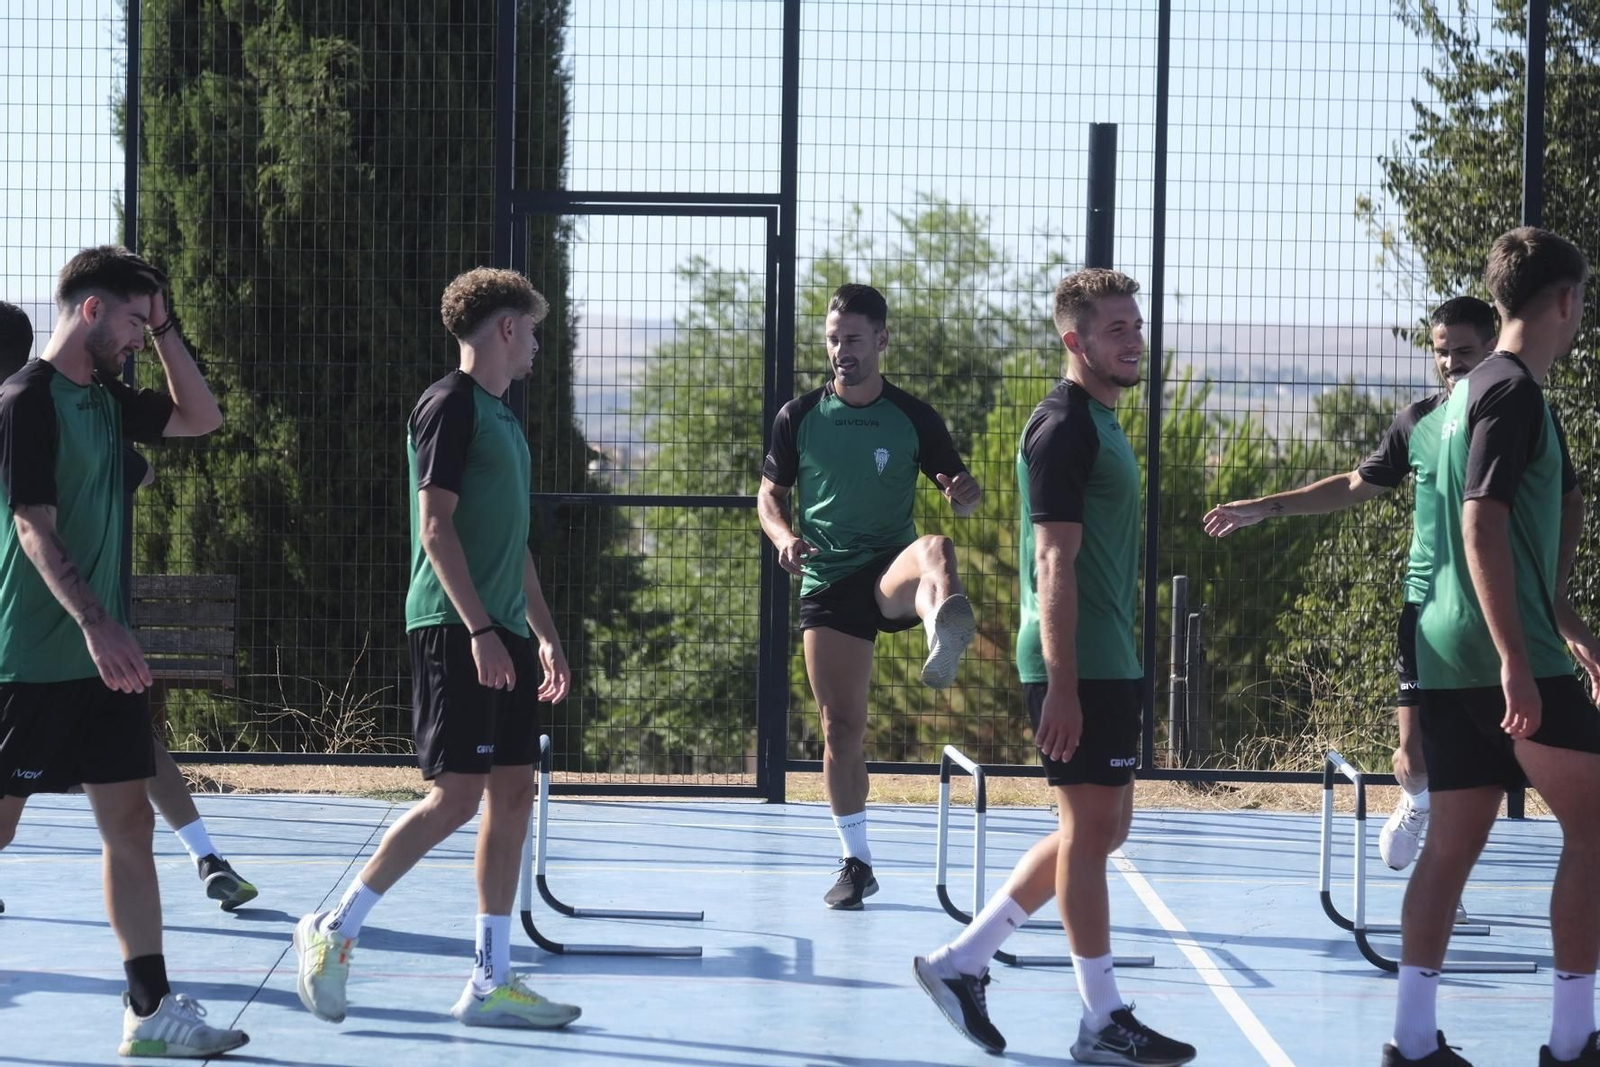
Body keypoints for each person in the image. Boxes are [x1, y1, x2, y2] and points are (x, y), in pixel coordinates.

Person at [913, 268, 1194, 1065]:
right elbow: (1052, 562)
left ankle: (962, 962)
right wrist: (1063, 685)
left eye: (1136, 325)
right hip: (1077, 662)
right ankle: (1102, 1018)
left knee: (1099, 830)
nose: (1134, 339)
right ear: (1075, 342)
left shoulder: (1101, 419)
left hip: (1109, 654)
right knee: (1088, 830)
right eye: (1116, 330)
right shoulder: (1062, 426)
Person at [293, 267, 580, 1030]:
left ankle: (491, 979)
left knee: (514, 791)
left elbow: (511, 545)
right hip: (456, 629)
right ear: (506, 329)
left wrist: (541, 634)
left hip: (503, 632)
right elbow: (436, 527)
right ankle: (335, 927)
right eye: (533, 329)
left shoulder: (506, 420)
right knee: (457, 796)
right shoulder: (449, 405)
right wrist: (482, 629)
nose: (539, 346)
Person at [0, 247, 243, 1057]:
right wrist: (96, 622)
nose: (143, 338)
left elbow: (203, 417)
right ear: (93, 310)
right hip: (30, 659)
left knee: (130, 822)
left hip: (102, 663)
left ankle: (149, 1006)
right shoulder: (25, 399)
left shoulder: (106, 399)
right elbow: (33, 524)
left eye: (152, 324)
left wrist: (169, 326)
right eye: (136, 322)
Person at [1202, 298, 1528, 888]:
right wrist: (1262, 508)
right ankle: (1420, 802)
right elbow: (1355, 484)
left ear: (1492, 348)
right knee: (1413, 758)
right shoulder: (1419, 422)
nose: (1452, 363)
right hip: (1428, 606)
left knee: (1494, 760)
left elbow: (1564, 501)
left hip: (1498, 606)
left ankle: (1445, 875)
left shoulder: (1512, 412)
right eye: (1442, 351)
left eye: (1465, 351)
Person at [1385, 227, 1600, 1067]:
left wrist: (1562, 614)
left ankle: (1410, 1039)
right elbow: (1482, 518)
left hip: (1443, 648)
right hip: (1500, 649)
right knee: (1593, 828)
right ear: (1564, 302)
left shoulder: (1453, 401)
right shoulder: (1513, 393)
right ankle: (1575, 1036)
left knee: (1452, 843)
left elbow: (1533, 515)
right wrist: (1520, 649)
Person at [758, 283, 982, 909]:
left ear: (881, 340)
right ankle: (856, 862)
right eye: (833, 339)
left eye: (853, 339)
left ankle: (943, 628)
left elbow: (958, 485)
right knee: (841, 726)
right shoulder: (798, 416)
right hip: (828, 578)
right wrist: (783, 537)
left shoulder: (912, 416)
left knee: (936, 544)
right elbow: (769, 495)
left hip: (890, 572)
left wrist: (966, 494)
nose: (840, 351)